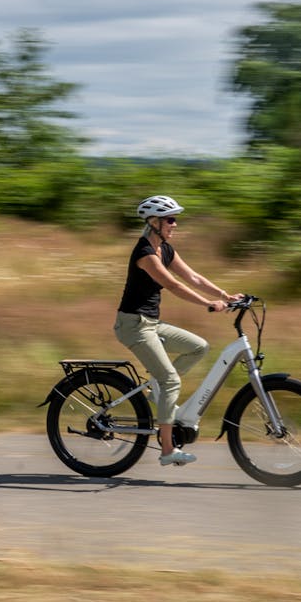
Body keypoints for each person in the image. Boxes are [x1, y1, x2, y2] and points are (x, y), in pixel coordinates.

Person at [114, 195, 242, 467]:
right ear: (154, 222)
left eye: (175, 219)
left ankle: (157, 393)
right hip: (134, 326)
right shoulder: (145, 254)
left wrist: (225, 295)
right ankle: (168, 450)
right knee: (172, 380)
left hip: (152, 324)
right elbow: (173, 285)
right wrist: (208, 303)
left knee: (199, 347)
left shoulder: (166, 249)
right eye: (170, 219)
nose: (175, 224)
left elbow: (193, 277)